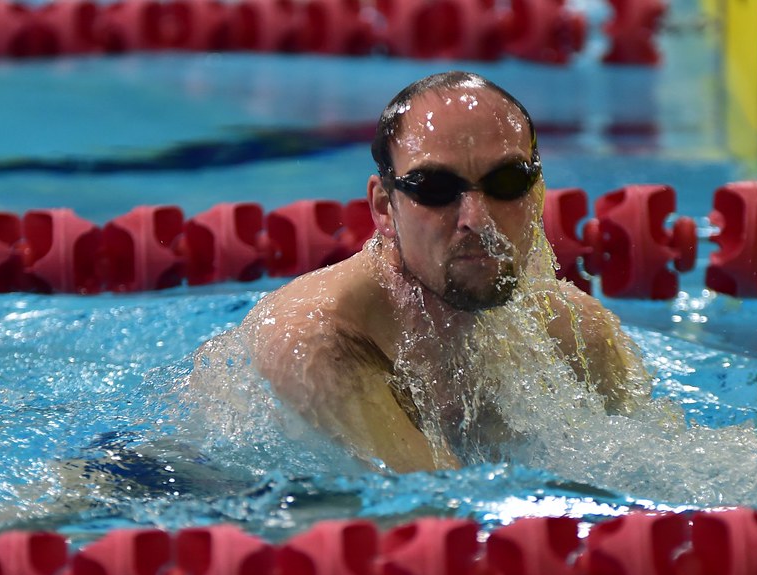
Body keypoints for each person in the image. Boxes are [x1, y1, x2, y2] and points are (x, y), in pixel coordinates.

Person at [210, 71, 650, 473]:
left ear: (537, 193)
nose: (477, 219)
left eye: (507, 182)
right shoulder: (321, 342)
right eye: (436, 188)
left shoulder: (578, 333)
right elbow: (433, 510)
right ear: (384, 207)